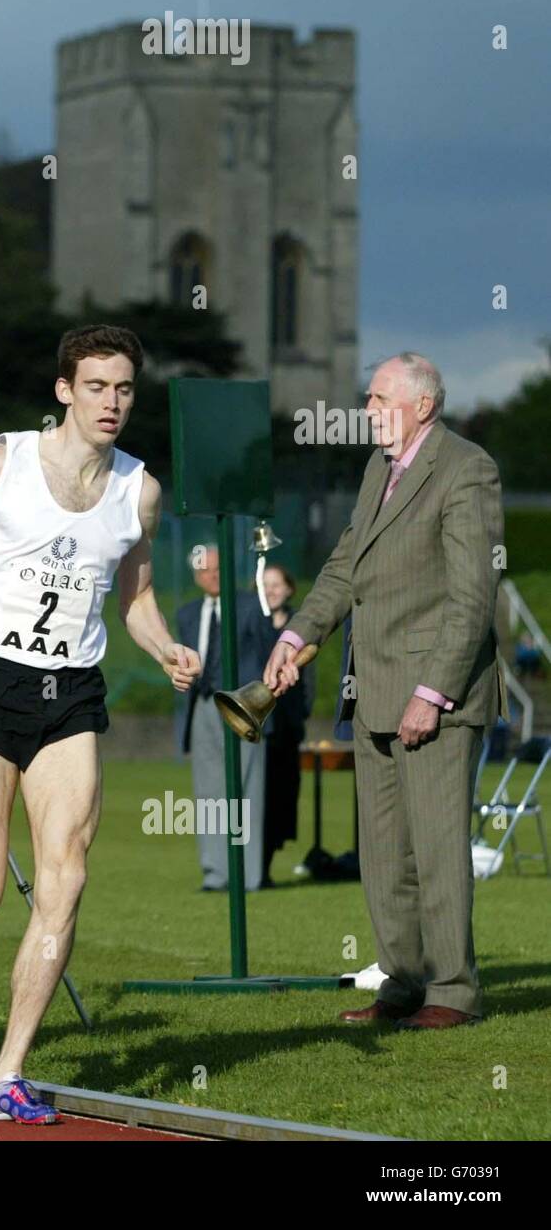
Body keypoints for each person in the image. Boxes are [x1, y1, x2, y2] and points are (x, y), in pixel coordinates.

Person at [0, 324, 199, 1124]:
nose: (111, 402)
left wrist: (166, 645)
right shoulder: (8, 463)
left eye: (124, 388)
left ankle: (8, 1073)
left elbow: (133, 597)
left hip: (70, 695)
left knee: (65, 875)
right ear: (65, 389)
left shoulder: (139, 491)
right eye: (96, 386)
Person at [265, 353, 504, 1031]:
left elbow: (471, 597)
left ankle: (453, 992)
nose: (365, 410)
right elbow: (345, 568)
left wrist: (432, 692)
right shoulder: (379, 469)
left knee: (436, 849)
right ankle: (403, 983)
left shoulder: (467, 468)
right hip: (371, 694)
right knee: (383, 854)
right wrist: (298, 634)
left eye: (377, 399)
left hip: (436, 698)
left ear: (422, 405)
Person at [173, 547, 273, 892]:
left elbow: (267, 658)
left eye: (217, 569)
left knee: (248, 791)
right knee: (208, 793)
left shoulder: (249, 607)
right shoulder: (187, 614)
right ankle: (215, 873)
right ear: (196, 575)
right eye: (204, 570)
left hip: (243, 709)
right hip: (202, 708)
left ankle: (249, 876)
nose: (211, 575)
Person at [260, 565, 313, 886]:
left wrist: (299, 714)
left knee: (281, 798)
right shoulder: (254, 624)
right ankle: (257, 867)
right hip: (259, 726)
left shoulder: (301, 628)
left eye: (277, 584)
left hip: (286, 729)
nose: (271, 590)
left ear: (290, 588)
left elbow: (310, 686)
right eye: (265, 584)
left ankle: (268, 859)